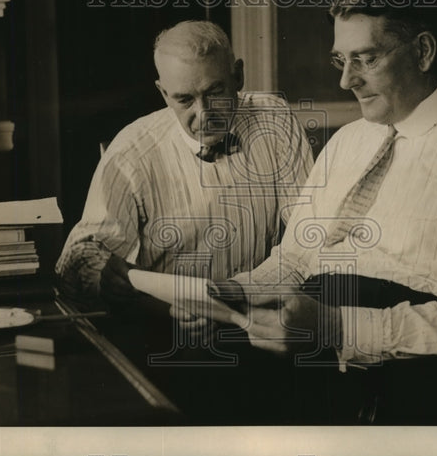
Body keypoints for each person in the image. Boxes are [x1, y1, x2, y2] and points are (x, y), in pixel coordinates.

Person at [217, 0, 437, 424]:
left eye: (365, 59)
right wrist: (231, 293)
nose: (345, 81)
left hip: (412, 380)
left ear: (423, 51)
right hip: (322, 355)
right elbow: (293, 261)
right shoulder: (347, 140)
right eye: (339, 60)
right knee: (199, 370)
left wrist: (336, 326)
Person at [55, 20, 313, 311]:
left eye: (214, 92)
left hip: (259, 320)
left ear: (238, 76)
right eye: (184, 99)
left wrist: (240, 294)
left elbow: (306, 236)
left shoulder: (275, 120)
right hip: (164, 327)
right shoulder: (131, 152)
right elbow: (77, 260)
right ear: (164, 93)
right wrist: (103, 276)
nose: (203, 114)